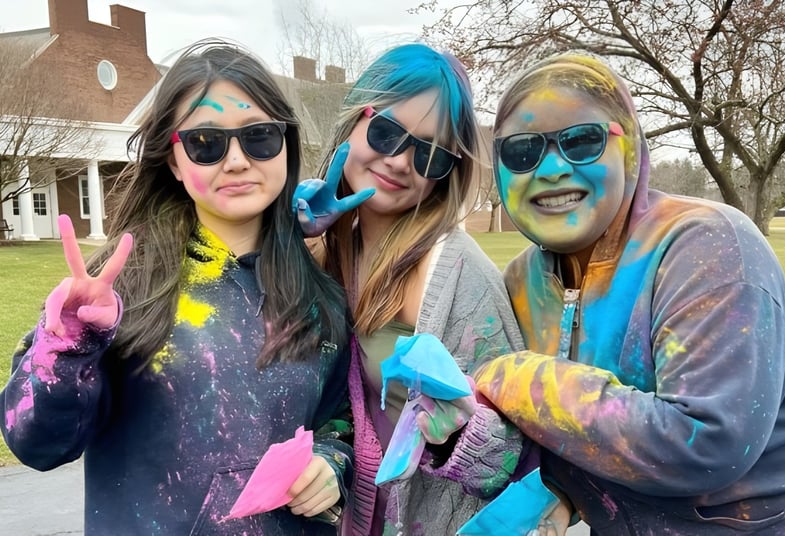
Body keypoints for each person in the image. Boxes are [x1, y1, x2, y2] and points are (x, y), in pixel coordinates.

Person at [0, 41, 354, 535]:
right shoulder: (115, 290)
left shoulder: (323, 300)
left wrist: (331, 463)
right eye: (206, 143)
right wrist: (67, 349)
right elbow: (34, 444)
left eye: (260, 138)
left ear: (287, 147)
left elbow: (339, 420)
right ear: (173, 158)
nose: (236, 161)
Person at [473, 51, 785, 534]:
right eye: (523, 151)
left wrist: (520, 378)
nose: (551, 169)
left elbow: (706, 443)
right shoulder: (522, 281)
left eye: (581, 142)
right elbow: (552, 436)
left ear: (628, 149)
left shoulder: (706, 245)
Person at [303, 42, 570, 536]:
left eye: (429, 154)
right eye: (385, 132)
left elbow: (512, 454)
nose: (401, 161)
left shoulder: (456, 275)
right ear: (354, 122)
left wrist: (459, 431)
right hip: (349, 510)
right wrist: (288, 242)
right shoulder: (329, 244)